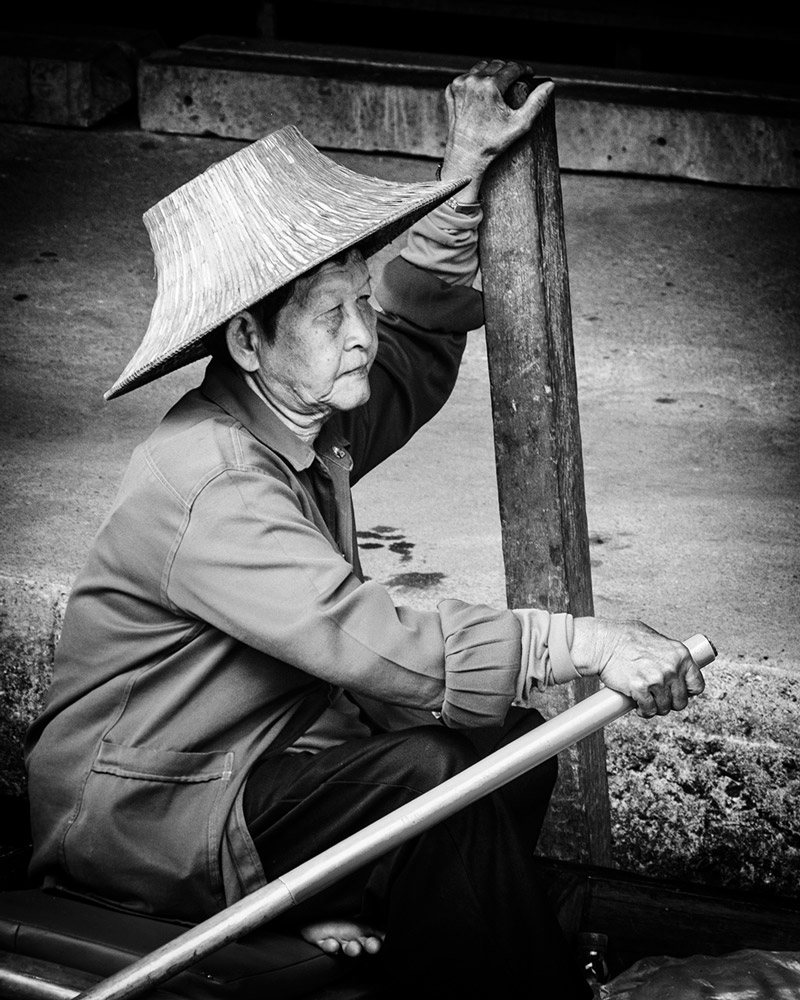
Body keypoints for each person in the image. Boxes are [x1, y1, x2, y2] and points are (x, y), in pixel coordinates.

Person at [24, 60, 705, 999]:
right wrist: (586, 642)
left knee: (503, 746)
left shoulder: (303, 420)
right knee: (430, 769)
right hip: (142, 815)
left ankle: (421, 949)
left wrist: (460, 170)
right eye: (330, 315)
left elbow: (413, 336)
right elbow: (365, 636)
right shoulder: (210, 476)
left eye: (357, 304)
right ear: (247, 342)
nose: (360, 334)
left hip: (239, 775)